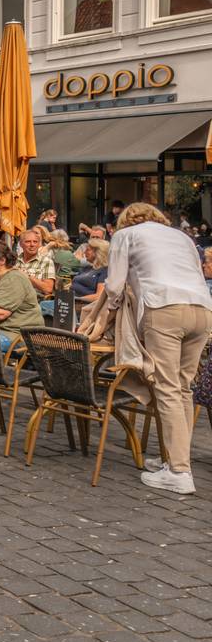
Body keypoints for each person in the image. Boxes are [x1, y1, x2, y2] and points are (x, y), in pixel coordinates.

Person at [105, 203, 212, 494]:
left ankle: (179, 471)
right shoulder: (182, 237)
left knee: (166, 388)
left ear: (126, 220)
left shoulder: (125, 236)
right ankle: (175, 459)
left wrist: (109, 313)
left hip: (162, 306)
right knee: (182, 388)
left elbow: (114, 286)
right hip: (202, 308)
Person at [15, 229, 56, 297]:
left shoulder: (46, 261)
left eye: (35, 242)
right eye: (28, 242)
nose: (32, 244)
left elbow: (48, 289)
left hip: (34, 301)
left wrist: (27, 277)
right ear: (21, 244)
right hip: (13, 297)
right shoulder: (14, 261)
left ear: (39, 244)